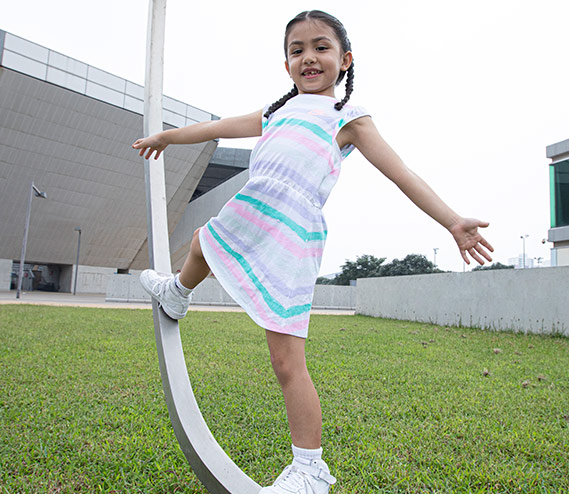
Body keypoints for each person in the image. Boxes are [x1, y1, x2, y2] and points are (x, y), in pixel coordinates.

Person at [132, 10, 493, 494]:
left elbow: (401, 172)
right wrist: (167, 137)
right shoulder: (275, 112)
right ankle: (177, 293)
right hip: (249, 212)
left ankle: (309, 469)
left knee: (286, 362)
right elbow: (219, 127)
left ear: (345, 60)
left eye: (321, 47)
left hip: (293, 237)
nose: (309, 57)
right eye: (297, 50)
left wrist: (451, 220)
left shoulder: (348, 118)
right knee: (202, 242)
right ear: (286, 65)